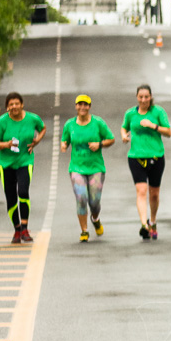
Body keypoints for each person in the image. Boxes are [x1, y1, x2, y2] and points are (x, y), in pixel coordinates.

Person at [0, 92, 46, 244]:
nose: (14, 107)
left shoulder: (32, 118)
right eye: (11, 104)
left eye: (17, 103)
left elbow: (42, 128)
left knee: (23, 191)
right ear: (7, 107)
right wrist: (6, 145)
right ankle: (17, 230)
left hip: (25, 161)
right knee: (10, 199)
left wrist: (37, 141)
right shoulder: (2, 122)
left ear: (22, 105)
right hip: (6, 164)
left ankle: (25, 228)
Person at [60, 94, 115, 242]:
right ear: (76, 106)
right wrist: (64, 145)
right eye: (79, 104)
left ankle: (95, 219)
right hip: (77, 168)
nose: (82, 107)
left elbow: (111, 139)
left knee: (94, 202)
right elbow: (64, 139)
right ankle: (84, 231)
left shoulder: (98, 123)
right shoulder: (70, 124)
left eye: (85, 105)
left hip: (96, 167)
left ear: (89, 107)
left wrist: (100, 145)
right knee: (81, 198)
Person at [121, 84, 171, 240]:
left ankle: (153, 221)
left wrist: (153, 126)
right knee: (141, 191)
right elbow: (124, 127)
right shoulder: (130, 113)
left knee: (154, 194)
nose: (143, 100)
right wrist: (124, 135)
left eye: (146, 97)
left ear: (151, 97)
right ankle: (144, 224)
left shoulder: (158, 112)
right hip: (136, 157)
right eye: (141, 97)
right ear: (137, 97)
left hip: (156, 157)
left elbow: (168, 132)